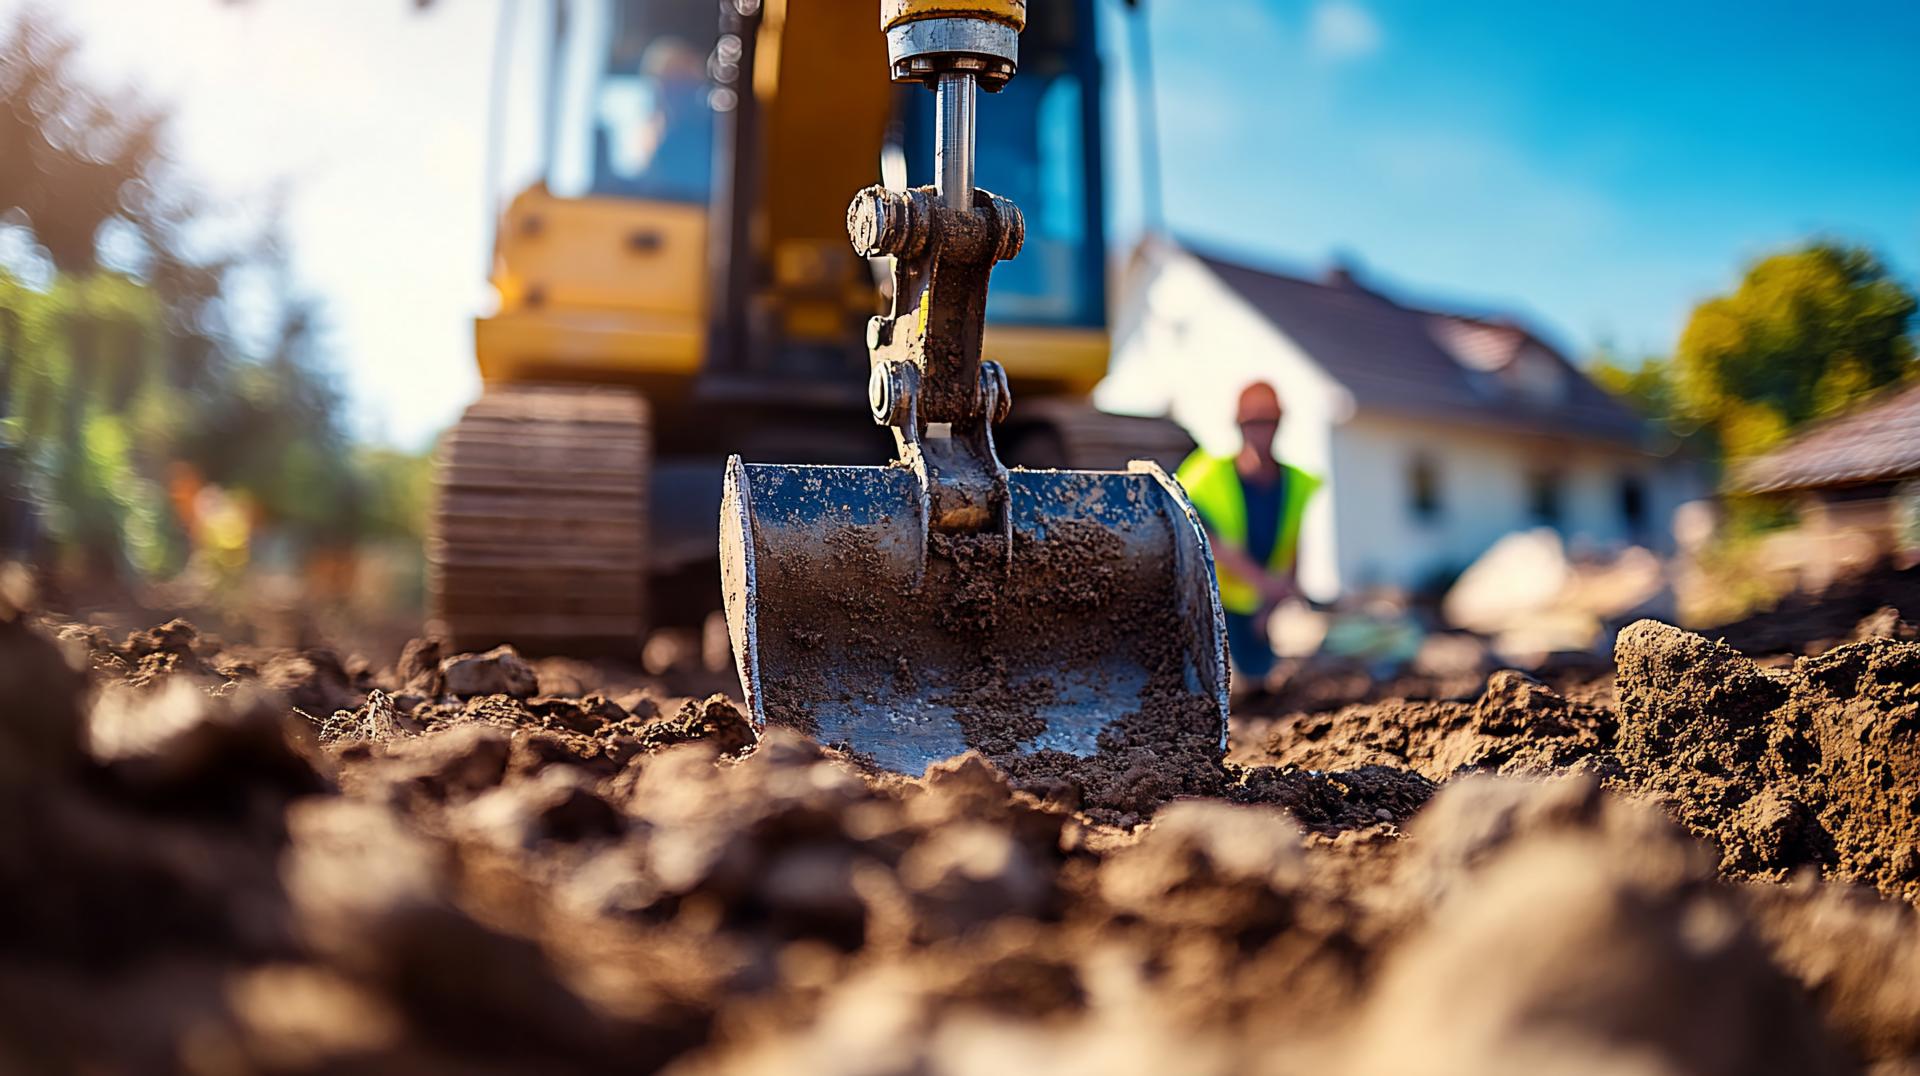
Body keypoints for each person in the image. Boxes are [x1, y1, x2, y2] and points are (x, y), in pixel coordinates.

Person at [1176, 382, 1323, 690]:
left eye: (1267, 422)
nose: (1260, 431)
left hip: (1257, 609)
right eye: (1253, 423)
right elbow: (1212, 545)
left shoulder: (1294, 482)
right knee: (1215, 686)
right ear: (1239, 425)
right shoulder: (1205, 476)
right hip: (1210, 606)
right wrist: (1269, 587)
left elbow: (1292, 546)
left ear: (1279, 424)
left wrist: (1272, 605)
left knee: (1262, 682)